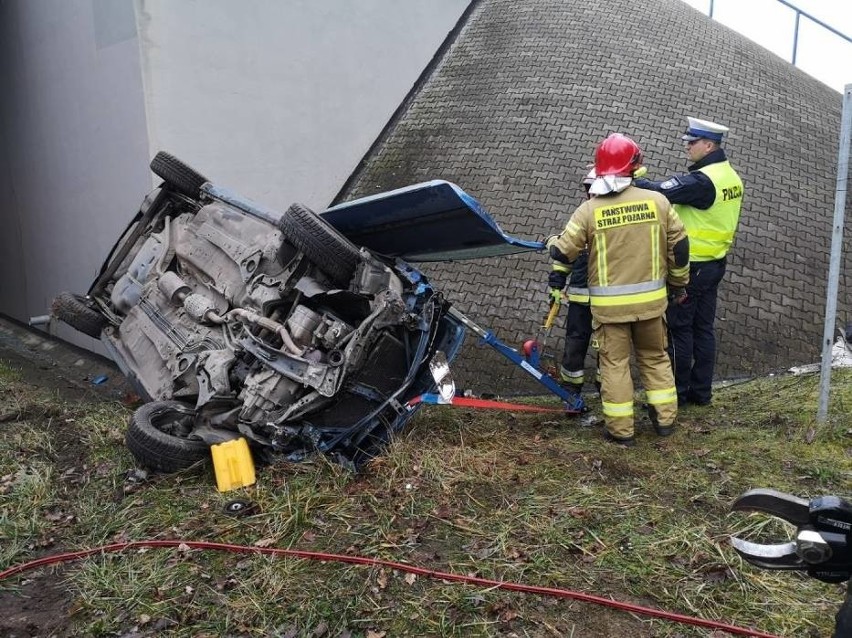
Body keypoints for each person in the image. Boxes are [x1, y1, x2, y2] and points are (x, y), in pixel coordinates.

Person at [547, 134, 690, 446]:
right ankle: (665, 420)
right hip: (652, 306)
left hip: (610, 312)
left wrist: (551, 243)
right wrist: (678, 286)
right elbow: (679, 250)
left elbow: (563, 252)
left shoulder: (589, 210)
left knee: (614, 365)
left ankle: (621, 431)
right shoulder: (659, 202)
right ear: (635, 167)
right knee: (655, 358)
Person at [634, 117, 744, 406]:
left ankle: (675, 395)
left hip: (691, 268)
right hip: (714, 263)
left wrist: (629, 179)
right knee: (703, 330)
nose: (687, 148)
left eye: (691, 143)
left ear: (708, 145)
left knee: (679, 330)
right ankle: (700, 393)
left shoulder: (702, 181)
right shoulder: (729, 175)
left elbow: (658, 191)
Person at [555, 169, 598, 396]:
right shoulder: (582, 215)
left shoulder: (606, 215)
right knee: (575, 343)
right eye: (587, 189)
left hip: (606, 301)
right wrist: (558, 275)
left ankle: (608, 388)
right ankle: (571, 389)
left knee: (608, 349)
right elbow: (566, 250)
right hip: (580, 299)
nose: (590, 193)